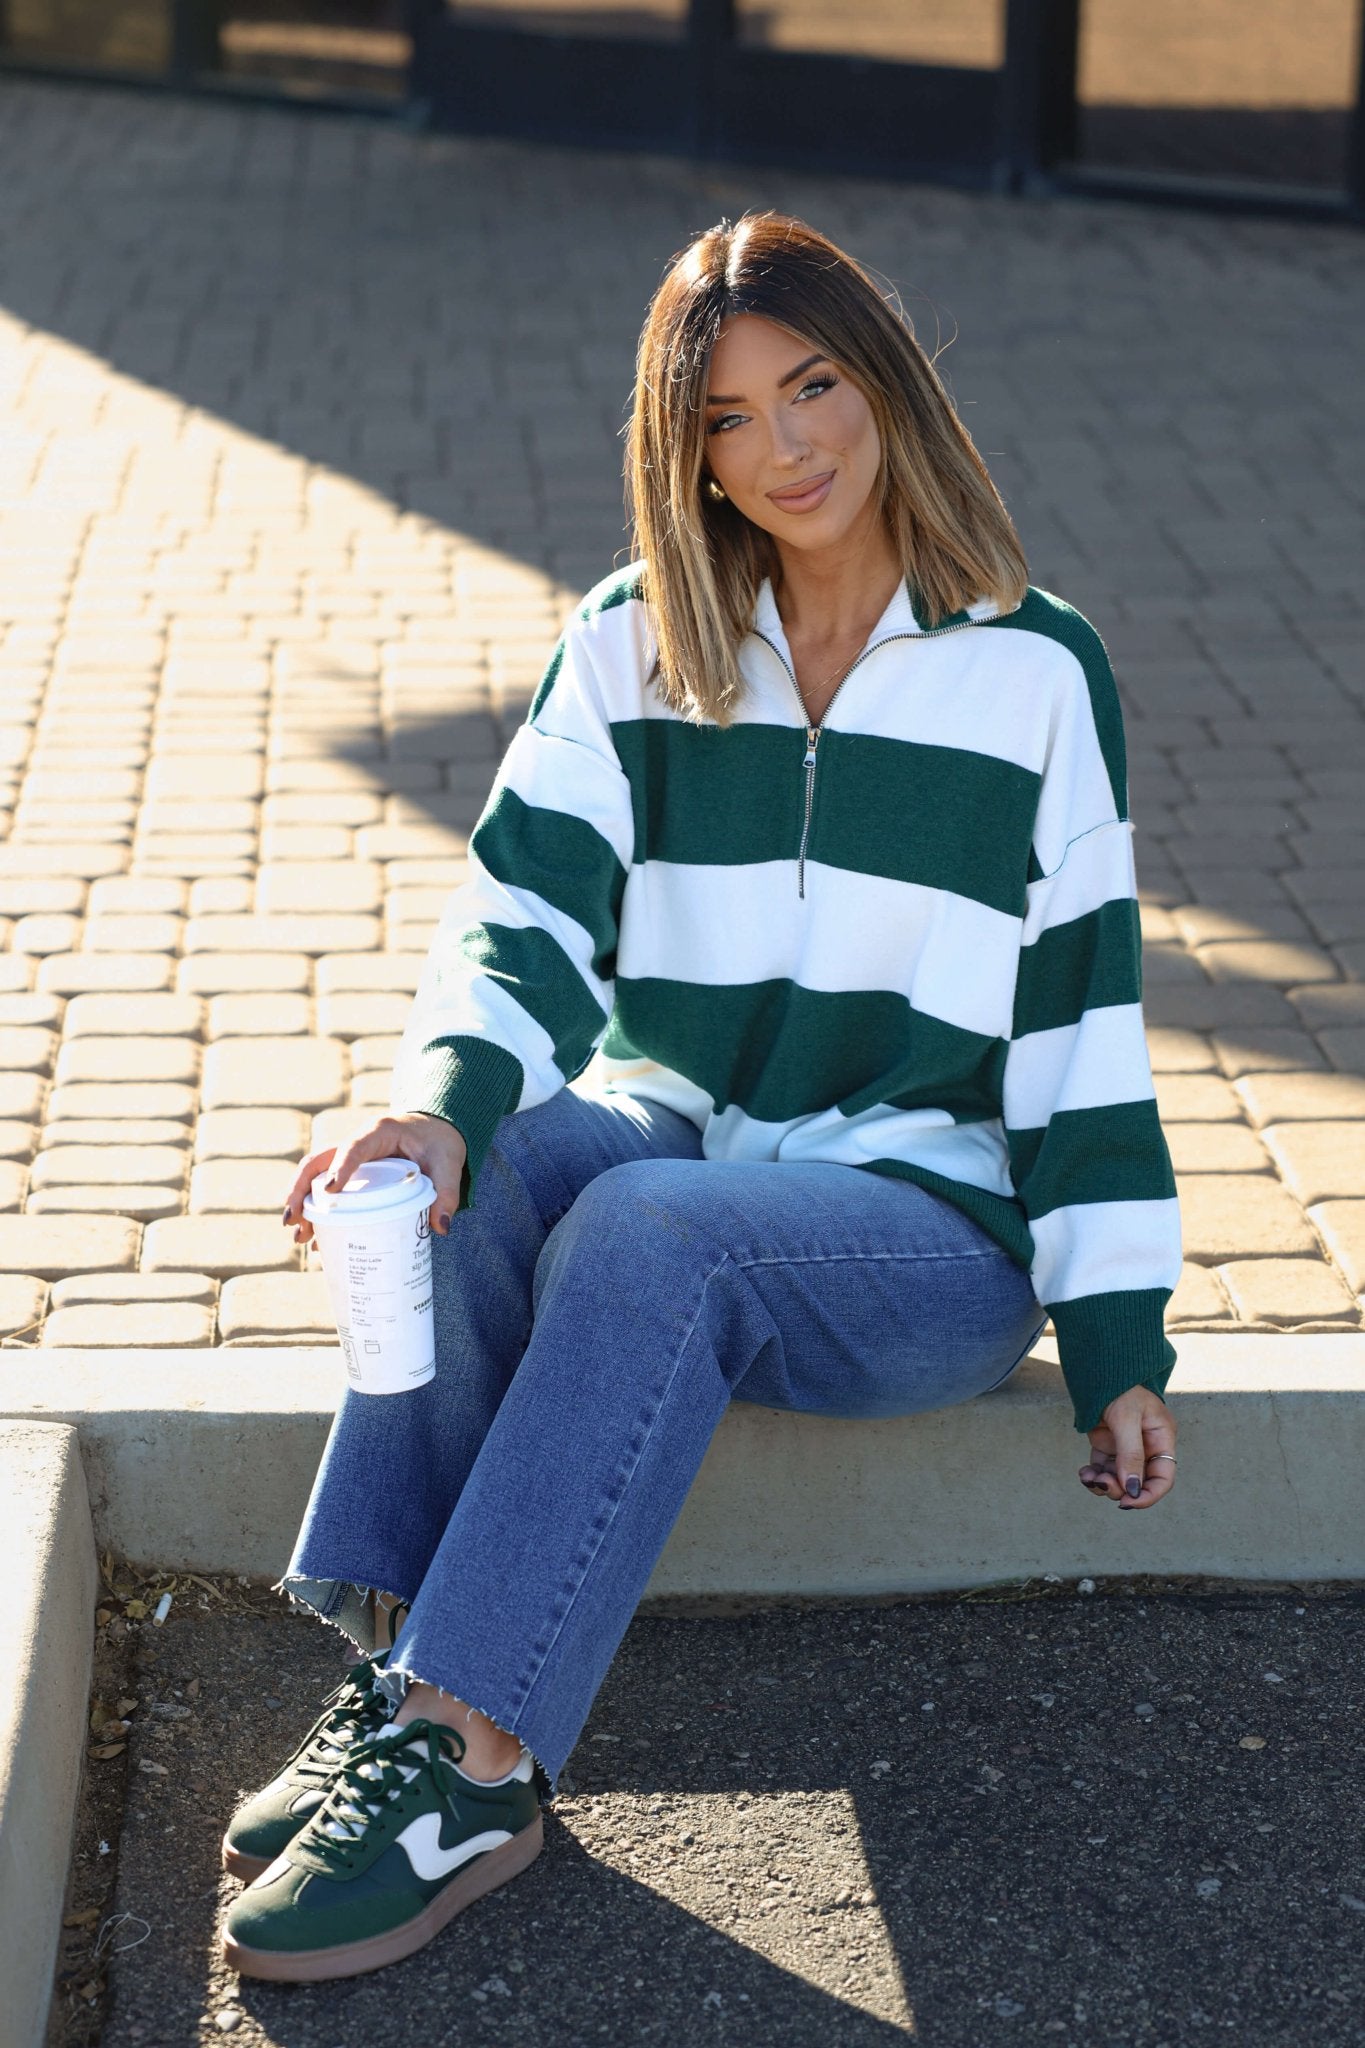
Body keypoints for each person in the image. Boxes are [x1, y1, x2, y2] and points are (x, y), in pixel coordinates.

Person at [220, 210, 1181, 1983]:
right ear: (688, 452)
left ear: (880, 379)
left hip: (926, 1233)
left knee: (651, 1232)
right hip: (689, 1127)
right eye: (727, 416)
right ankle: (404, 1687)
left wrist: (1116, 1335)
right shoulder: (636, 642)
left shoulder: (1033, 672)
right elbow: (520, 914)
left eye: (811, 385)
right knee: (489, 1178)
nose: (785, 446)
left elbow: (1081, 1023)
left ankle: (473, 1765)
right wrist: (442, 1104)